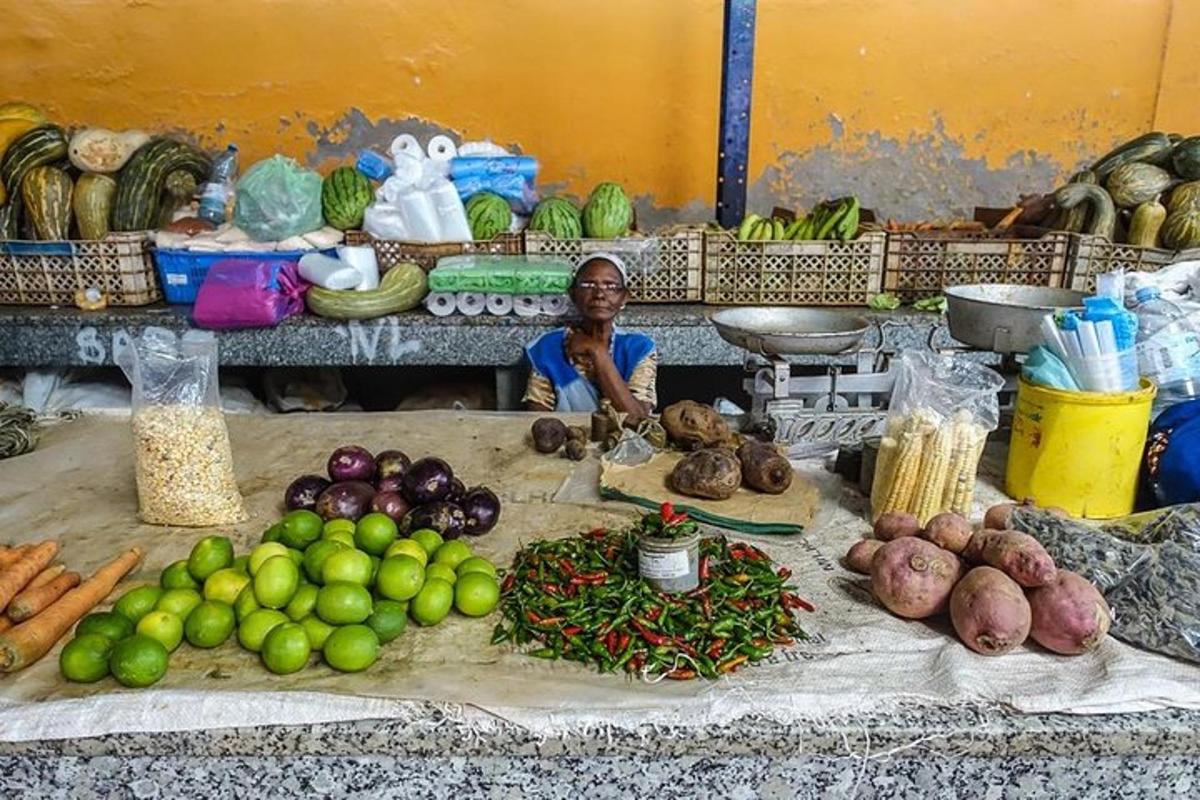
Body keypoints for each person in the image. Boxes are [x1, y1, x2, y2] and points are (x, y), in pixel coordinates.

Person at [523, 254, 658, 417]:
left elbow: (638, 420)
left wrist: (598, 353)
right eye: (588, 285)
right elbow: (537, 421)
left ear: (624, 298)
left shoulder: (639, 348)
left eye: (611, 286)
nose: (599, 294)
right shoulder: (547, 348)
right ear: (573, 294)